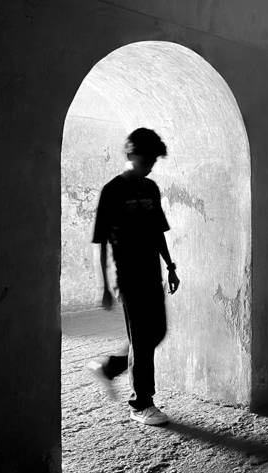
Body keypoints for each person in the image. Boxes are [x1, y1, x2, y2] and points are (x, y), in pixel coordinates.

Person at [86, 128, 180, 426]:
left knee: (156, 332)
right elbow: (100, 241)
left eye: (152, 161)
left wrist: (170, 266)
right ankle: (141, 404)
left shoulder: (151, 188)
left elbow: (158, 232)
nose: (149, 166)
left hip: (152, 272)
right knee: (141, 338)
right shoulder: (112, 191)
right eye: (145, 159)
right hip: (127, 276)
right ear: (130, 155)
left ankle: (109, 367)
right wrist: (103, 285)